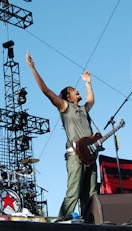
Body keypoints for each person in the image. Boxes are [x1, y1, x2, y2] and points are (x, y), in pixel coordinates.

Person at [25, 52, 98, 221]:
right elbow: (46, 91)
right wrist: (33, 68)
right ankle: (62, 221)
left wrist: (88, 84)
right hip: (75, 156)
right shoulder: (65, 107)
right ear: (67, 96)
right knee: (73, 192)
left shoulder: (82, 109)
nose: (76, 90)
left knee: (91, 192)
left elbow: (91, 100)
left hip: (91, 155)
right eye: (73, 90)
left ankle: (91, 221)